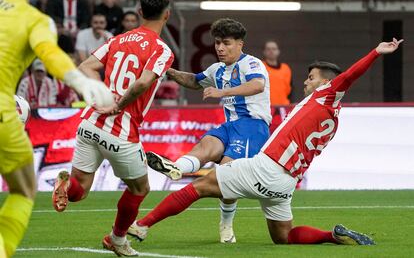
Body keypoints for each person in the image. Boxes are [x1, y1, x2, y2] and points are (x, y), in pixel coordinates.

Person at [128, 38, 403, 247]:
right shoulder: (332, 117)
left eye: (311, 78)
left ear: (326, 84)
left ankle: (141, 225)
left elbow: (349, 76)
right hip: (285, 182)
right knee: (283, 237)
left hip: (267, 167)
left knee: (199, 187)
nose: (306, 83)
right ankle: (332, 236)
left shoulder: (327, 95)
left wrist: (376, 53)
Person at [51, 0, 174, 256]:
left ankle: (65, 184)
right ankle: (116, 240)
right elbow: (142, 82)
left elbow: (85, 66)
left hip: (90, 123)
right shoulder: (162, 50)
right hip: (121, 132)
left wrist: (103, 95)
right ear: (167, 14)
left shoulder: (116, 39)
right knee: (140, 188)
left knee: (79, 190)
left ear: (140, 12)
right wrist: (117, 104)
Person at [0, 0, 113, 257]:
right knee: (23, 188)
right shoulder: (35, 19)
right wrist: (79, 81)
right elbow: (49, 53)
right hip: (3, 111)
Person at [147, 18, 271, 243]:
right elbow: (194, 81)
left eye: (226, 43)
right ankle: (175, 168)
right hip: (229, 126)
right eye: (217, 43)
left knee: (225, 178)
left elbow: (257, 86)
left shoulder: (251, 64)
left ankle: (226, 226)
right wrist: (168, 70)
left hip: (252, 127)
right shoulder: (217, 69)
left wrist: (221, 93)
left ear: (240, 44)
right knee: (204, 148)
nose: (220, 48)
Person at [262, 40, 292, 105]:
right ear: (264, 52)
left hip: (284, 106)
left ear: (278, 51)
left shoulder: (286, 68)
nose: (271, 51)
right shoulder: (261, 66)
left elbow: (290, 89)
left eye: (274, 49)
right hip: (266, 107)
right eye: (268, 49)